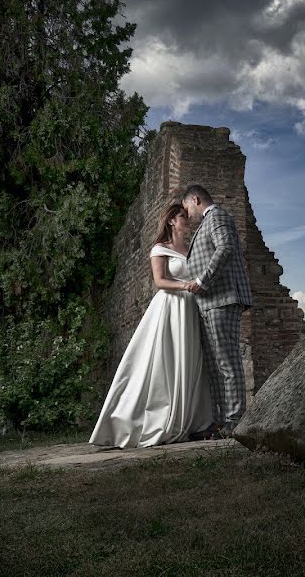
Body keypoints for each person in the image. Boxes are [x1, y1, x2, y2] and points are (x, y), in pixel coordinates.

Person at [89, 204, 213, 448]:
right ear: (170, 221)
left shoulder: (190, 249)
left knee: (188, 360)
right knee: (163, 360)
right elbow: (160, 281)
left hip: (189, 309)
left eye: (187, 217)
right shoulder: (160, 248)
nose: (187, 220)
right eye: (182, 217)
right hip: (170, 307)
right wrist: (186, 285)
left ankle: (188, 419)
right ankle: (137, 418)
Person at [182, 185, 253, 438]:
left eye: (187, 208)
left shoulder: (218, 216)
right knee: (214, 366)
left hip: (222, 299)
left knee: (227, 362)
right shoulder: (206, 223)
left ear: (196, 199)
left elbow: (226, 248)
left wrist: (202, 281)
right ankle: (220, 421)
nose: (188, 215)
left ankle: (234, 422)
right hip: (208, 304)